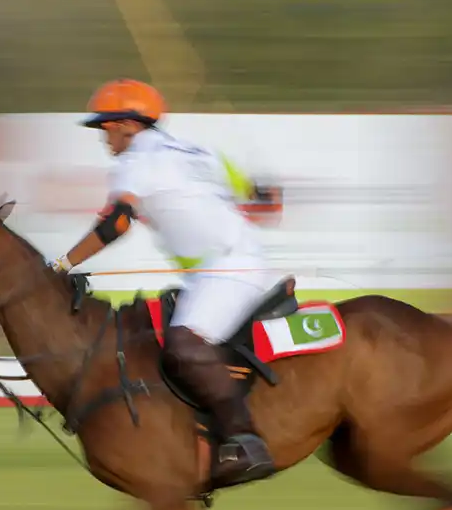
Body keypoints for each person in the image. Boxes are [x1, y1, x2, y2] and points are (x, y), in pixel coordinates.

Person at [47, 78, 286, 484]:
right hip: (223, 268)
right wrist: (258, 193)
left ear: (128, 124)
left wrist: (61, 265)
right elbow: (267, 201)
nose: (104, 137)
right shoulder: (200, 152)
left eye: (106, 127)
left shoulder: (135, 163)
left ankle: (245, 441)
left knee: (184, 344)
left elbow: (116, 223)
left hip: (228, 270)